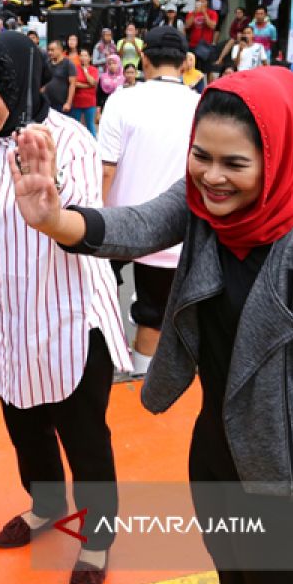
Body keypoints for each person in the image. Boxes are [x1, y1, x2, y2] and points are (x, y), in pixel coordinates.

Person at [0, 66, 293, 584]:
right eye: (201, 155)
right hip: (214, 456)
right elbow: (137, 225)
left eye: (235, 163)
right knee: (232, 579)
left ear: (278, 159)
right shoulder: (205, 207)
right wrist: (52, 219)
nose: (212, 177)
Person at [0, 31, 134, 584]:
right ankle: (45, 506)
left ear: (21, 81)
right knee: (24, 425)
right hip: (6, 315)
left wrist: (48, 206)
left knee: (84, 435)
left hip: (67, 316)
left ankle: (97, 538)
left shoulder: (71, 141)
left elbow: (82, 229)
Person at [97, 25, 198, 374]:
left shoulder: (123, 99)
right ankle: (142, 383)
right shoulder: (201, 105)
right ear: (185, 63)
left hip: (117, 226)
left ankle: (99, 373)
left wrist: (91, 222)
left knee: (95, 309)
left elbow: (106, 170)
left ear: (142, 58)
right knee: (153, 319)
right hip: (172, 229)